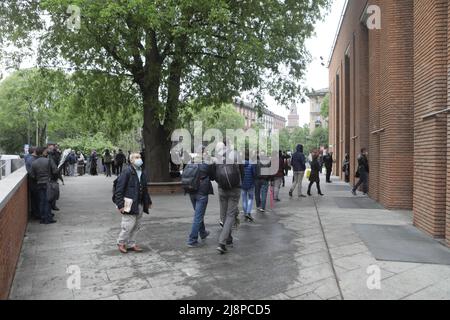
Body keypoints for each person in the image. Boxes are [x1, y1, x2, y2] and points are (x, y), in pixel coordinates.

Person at [114, 153, 152, 254]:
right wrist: (120, 205)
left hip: (140, 203)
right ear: (131, 160)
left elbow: (145, 189)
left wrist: (148, 201)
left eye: (140, 157)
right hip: (128, 203)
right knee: (128, 225)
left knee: (137, 225)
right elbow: (119, 190)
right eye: (136, 157)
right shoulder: (127, 172)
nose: (139, 159)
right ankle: (121, 242)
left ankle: (131, 243)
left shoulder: (142, 172)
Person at [213, 142, 242, 254]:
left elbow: (214, 175)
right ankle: (222, 242)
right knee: (230, 215)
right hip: (235, 188)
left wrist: (221, 182)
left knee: (224, 215)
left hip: (222, 189)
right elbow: (241, 170)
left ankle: (228, 239)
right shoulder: (235, 154)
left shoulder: (216, 158)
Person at [183, 147, 215, 248]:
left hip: (191, 191)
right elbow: (213, 176)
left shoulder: (190, 162)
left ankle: (203, 232)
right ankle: (192, 240)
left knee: (198, 214)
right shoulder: (206, 163)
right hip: (202, 192)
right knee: (198, 216)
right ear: (204, 152)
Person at [30, 147, 58, 224]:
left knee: (42, 201)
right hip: (48, 183)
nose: (46, 152)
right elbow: (55, 171)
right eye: (45, 151)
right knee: (48, 201)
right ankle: (48, 219)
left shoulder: (34, 163)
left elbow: (32, 175)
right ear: (42, 152)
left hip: (39, 183)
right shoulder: (48, 160)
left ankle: (42, 218)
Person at [241, 152, 257, 222]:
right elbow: (254, 174)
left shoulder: (240, 164)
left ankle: (245, 213)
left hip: (242, 184)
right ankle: (248, 212)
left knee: (244, 199)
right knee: (250, 198)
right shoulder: (252, 164)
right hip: (251, 184)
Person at [25, 147, 40, 219]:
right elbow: (32, 172)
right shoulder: (31, 159)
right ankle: (36, 214)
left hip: (33, 182)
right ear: (34, 151)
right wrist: (37, 178)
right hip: (34, 182)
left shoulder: (30, 158)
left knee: (35, 199)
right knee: (35, 199)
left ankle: (36, 213)